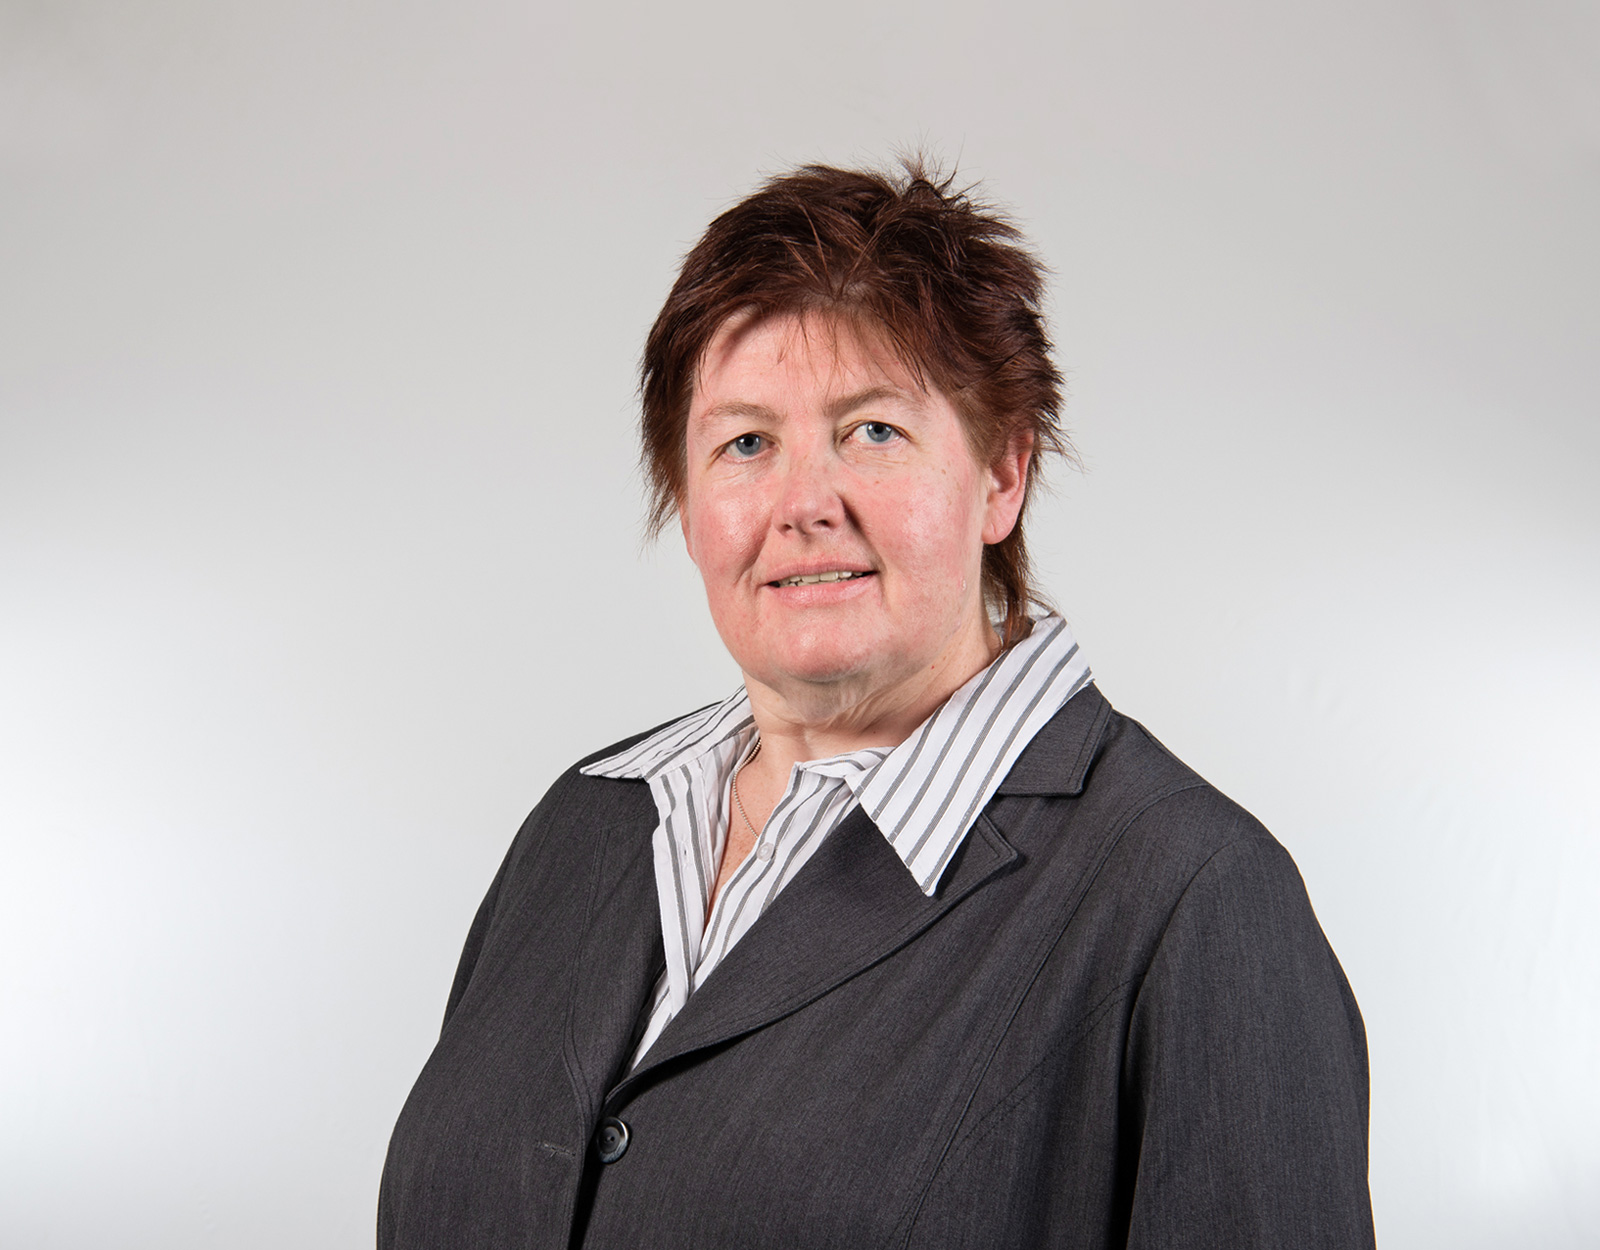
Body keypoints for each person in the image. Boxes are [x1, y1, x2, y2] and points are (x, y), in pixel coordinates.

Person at [378, 161, 1376, 1249]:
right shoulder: (586, 819)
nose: (804, 504)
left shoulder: (1191, 897)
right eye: (746, 442)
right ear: (686, 496)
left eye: (873, 432)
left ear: (1001, 475)